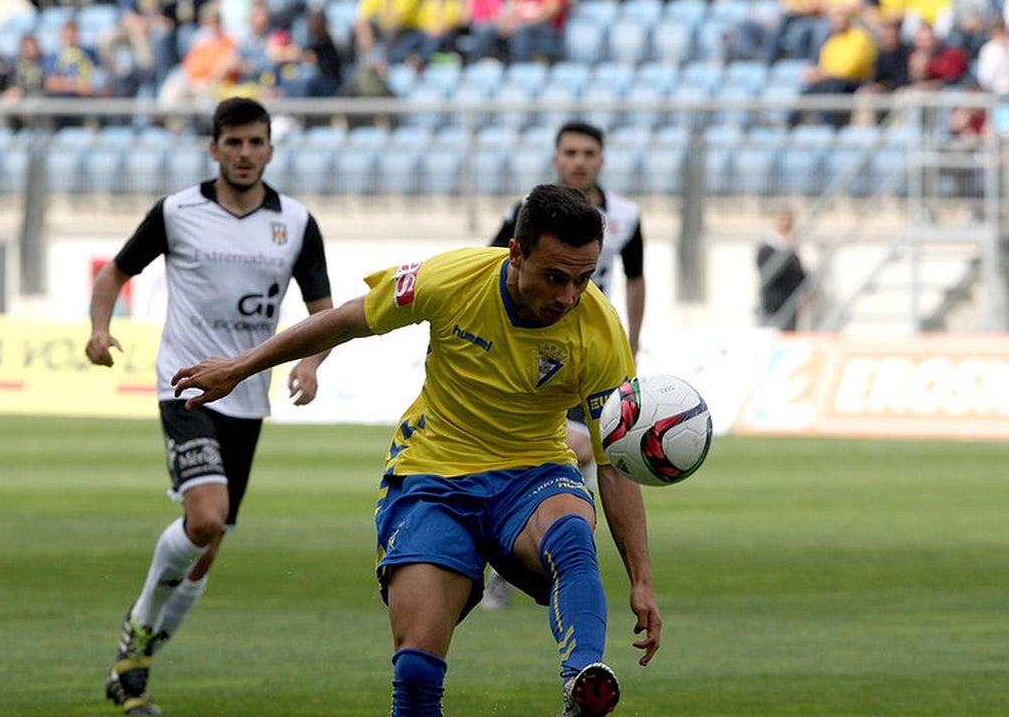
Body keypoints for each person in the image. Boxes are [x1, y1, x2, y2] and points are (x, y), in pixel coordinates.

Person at [171, 183, 662, 717]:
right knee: (416, 671)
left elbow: (614, 465)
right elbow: (346, 320)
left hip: (532, 475)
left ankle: (582, 684)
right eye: (555, 276)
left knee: (570, 534)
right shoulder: (451, 279)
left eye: (583, 279)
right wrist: (240, 367)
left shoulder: (601, 329)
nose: (569, 296)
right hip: (434, 478)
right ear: (516, 254)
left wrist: (640, 580)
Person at [86, 97, 335, 717]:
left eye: (256, 143)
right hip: (188, 384)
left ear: (270, 150)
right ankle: (140, 623)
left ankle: (133, 667)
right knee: (206, 518)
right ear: (214, 148)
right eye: (234, 143)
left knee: (209, 543)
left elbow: (324, 313)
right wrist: (98, 328)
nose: (245, 153)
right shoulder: (177, 211)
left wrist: (310, 361)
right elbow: (114, 273)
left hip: (248, 397)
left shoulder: (297, 222)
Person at [482, 121, 645, 610]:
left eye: (588, 152)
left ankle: (552, 553)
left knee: (589, 454)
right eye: (570, 152)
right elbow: (487, 264)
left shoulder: (626, 216)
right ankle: (526, 556)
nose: (579, 160)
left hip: (593, 354)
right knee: (573, 452)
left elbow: (637, 280)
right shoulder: (525, 215)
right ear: (556, 159)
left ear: (601, 160)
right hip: (532, 354)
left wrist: (632, 344)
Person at [756, 206, 807, 331]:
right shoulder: (767, 249)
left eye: (789, 222)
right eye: (782, 220)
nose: (786, 225)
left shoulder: (792, 250)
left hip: (790, 307)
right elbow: (770, 273)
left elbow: (798, 275)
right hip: (773, 309)